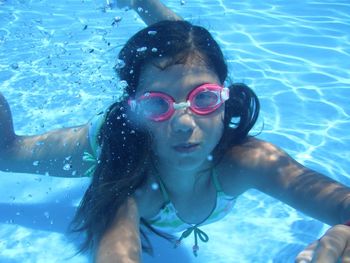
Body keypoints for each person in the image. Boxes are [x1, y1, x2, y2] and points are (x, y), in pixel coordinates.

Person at [0, 0, 350, 262]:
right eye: (156, 104)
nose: (184, 124)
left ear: (224, 99)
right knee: (7, 153)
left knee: (189, 53)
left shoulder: (251, 161)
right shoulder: (128, 184)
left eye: (206, 98)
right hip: (118, 140)